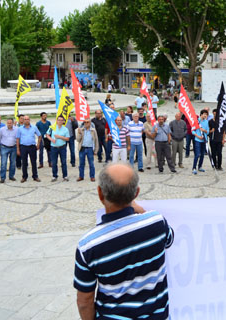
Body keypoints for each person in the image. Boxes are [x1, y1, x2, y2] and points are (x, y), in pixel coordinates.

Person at [74, 165, 174, 317]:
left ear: (100, 193)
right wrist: (142, 211)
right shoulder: (157, 222)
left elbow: (84, 301)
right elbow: (169, 239)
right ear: (136, 193)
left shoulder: (88, 245)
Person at [16, 115, 42, 183]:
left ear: (29, 120)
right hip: (23, 147)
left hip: (32, 147)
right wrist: (18, 149)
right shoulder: (20, 128)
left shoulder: (34, 127)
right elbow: (18, 139)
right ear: (23, 120)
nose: (26, 120)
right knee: (24, 163)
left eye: (27, 119)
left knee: (33, 162)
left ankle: (35, 176)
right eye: (25, 119)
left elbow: (39, 136)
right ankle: (24, 177)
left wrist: (38, 144)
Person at [46, 116, 70, 182]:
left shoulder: (65, 129)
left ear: (63, 121)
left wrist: (60, 137)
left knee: (64, 162)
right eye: (59, 120)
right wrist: (51, 139)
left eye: (61, 120)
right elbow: (47, 135)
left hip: (62, 147)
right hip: (54, 147)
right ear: (56, 121)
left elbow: (67, 138)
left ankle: (65, 176)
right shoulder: (52, 127)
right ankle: (54, 176)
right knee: (54, 162)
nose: (60, 121)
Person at [76, 118, 99, 182]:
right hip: (82, 148)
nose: (86, 123)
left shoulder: (93, 130)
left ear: (90, 123)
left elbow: (96, 140)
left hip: (90, 149)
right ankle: (81, 176)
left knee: (91, 164)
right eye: (85, 122)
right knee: (81, 164)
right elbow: (78, 140)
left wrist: (96, 150)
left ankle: (92, 176)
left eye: (87, 122)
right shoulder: (81, 130)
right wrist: (79, 133)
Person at [0, 118, 18, 183]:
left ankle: (11, 176)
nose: (9, 124)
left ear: (13, 123)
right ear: (6, 123)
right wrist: (3, 143)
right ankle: (2, 178)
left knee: (13, 163)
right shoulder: (2, 129)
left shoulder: (17, 129)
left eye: (10, 123)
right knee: (3, 163)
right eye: (8, 123)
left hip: (14, 148)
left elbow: (18, 138)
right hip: (4, 147)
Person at [192, 109, 209, 174]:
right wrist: (198, 136)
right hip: (198, 140)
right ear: (201, 114)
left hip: (204, 140)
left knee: (202, 154)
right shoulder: (196, 121)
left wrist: (203, 130)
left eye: (206, 114)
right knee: (197, 154)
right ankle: (194, 167)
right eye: (204, 114)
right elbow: (193, 131)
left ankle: (200, 166)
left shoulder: (206, 122)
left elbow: (207, 131)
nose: (205, 115)